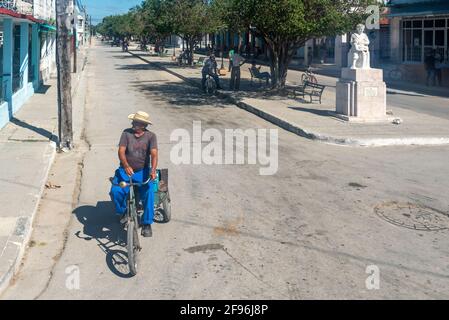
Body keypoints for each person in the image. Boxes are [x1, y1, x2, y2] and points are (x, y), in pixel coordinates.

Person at [109, 111, 158, 238]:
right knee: (116, 191)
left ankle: (147, 223)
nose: (132, 124)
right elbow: (121, 151)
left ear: (143, 125)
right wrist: (126, 165)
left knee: (149, 192)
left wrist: (153, 170)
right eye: (133, 121)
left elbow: (154, 154)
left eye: (135, 122)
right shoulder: (126, 133)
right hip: (125, 170)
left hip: (143, 171)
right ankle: (123, 211)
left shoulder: (151, 136)